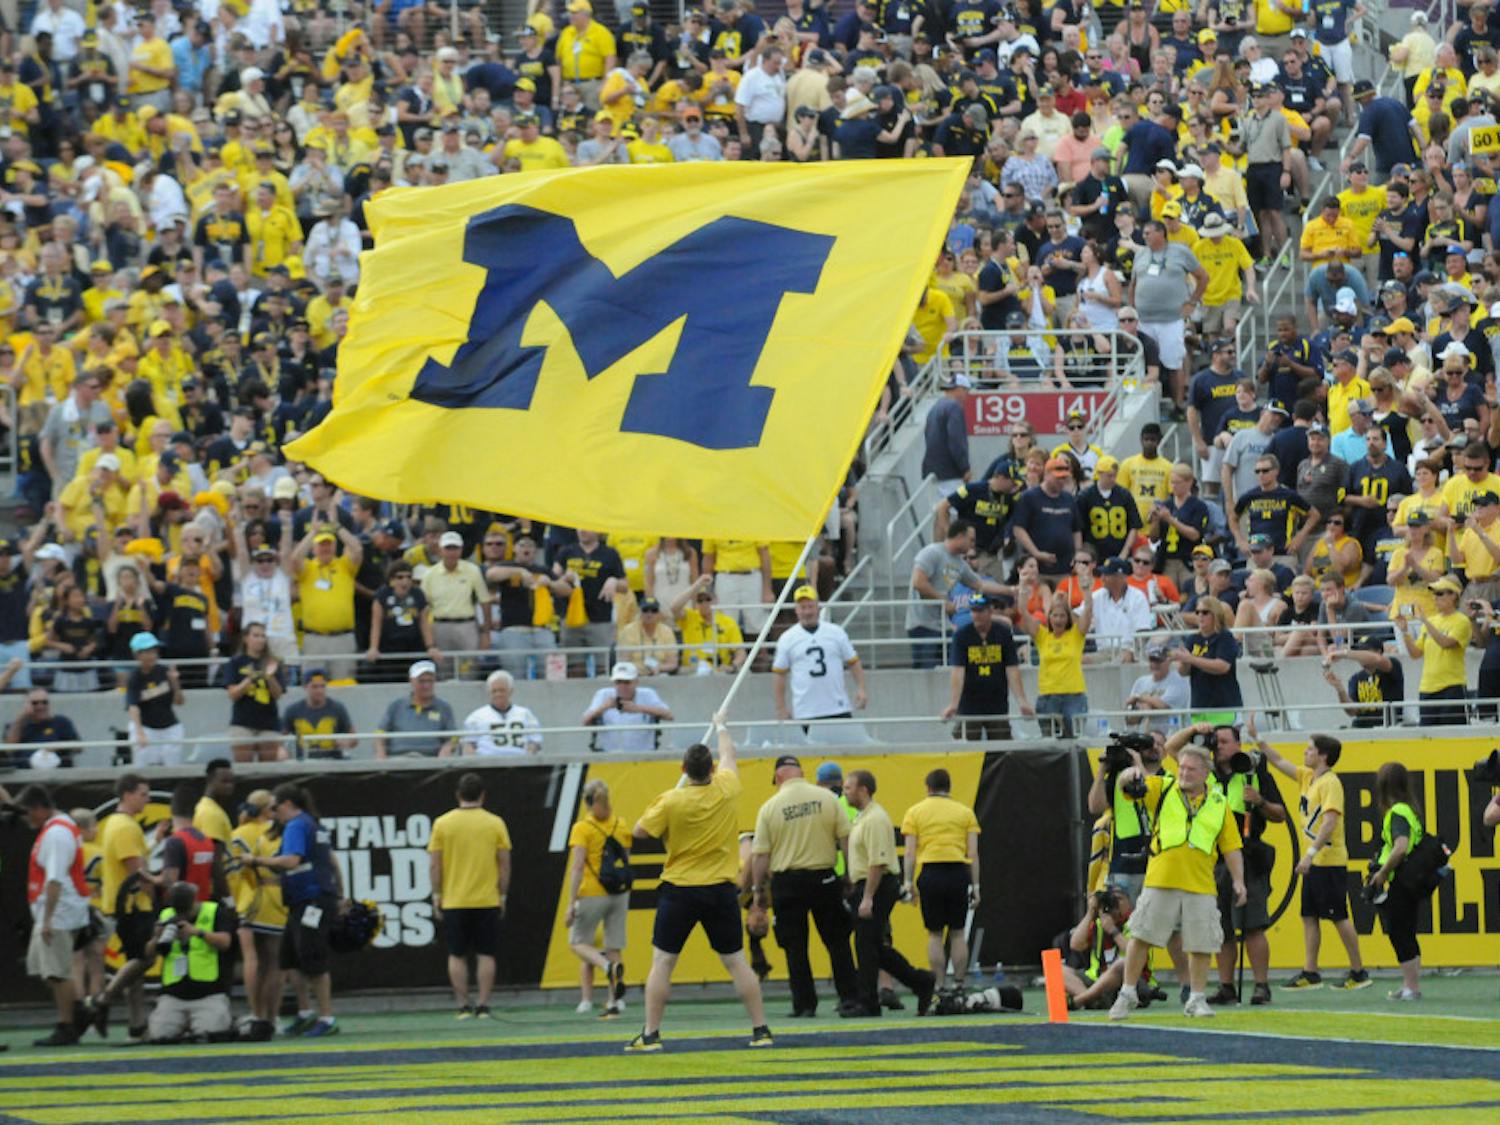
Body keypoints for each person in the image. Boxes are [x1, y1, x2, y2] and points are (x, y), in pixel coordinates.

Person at [628, 716, 772, 1052]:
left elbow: (638, 831)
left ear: (683, 769)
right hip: (720, 889)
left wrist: (662, 817)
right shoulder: (726, 787)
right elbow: (730, 755)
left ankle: (651, 1034)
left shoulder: (670, 800)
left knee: (663, 962)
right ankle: (760, 1029)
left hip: (680, 889)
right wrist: (721, 725)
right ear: (711, 769)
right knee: (736, 961)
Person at [1109, 742, 1247, 1021]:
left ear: (1205, 773)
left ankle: (1196, 998)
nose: (1183, 773)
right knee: (1141, 935)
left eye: (1191, 769)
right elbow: (1130, 786)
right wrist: (1128, 776)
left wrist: (1239, 881)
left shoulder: (1220, 804)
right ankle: (1127, 992)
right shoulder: (1163, 787)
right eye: (1181, 767)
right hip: (1161, 878)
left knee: (1201, 943)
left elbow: (1231, 847)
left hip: (1200, 882)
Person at [1247, 723, 1372, 992]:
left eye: (1310, 749)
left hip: (1328, 860)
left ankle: (1359, 970)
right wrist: (1258, 739)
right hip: (1315, 863)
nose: (1305, 752)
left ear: (1323, 756)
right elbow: (1279, 761)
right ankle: (1311, 971)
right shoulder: (1308, 777)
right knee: (1309, 915)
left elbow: (1329, 822)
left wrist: (1310, 853)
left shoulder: (1330, 783)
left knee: (1338, 916)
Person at [749, 753, 859, 1017]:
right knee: (837, 942)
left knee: (795, 947)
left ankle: (804, 1005)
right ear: (801, 773)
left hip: (787, 883)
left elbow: (760, 856)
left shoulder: (770, 807)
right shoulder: (827, 799)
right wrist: (850, 875)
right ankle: (850, 999)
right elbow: (846, 839)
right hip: (823, 878)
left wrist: (757, 891)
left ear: (777, 777)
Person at [244, 783, 342, 1038]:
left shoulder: (297, 825)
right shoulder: (312, 823)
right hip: (305, 898)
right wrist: (340, 893)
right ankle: (305, 1013)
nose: (273, 812)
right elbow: (331, 862)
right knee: (291, 958)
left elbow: (291, 861)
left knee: (313, 958)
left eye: (275, 807)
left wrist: (256, 860)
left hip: (311, 900)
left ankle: (326, 1017)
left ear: (287, 805)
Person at [843, 768, 935, 1017]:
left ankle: (869, 1002)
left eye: (848, 787)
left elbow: (878, 863)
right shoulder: (863, 817)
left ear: (863, 789)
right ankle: (920, 982)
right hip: (869, 885)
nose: (845, 791)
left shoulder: (875, 819)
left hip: (878, 885)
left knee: (865, 944)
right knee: (874, 947)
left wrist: (868, 897)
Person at [84, 774, 162, 1040]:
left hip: (125, 903)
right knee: (144, 958)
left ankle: (137, 1025)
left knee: (135, 965)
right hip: (131, 904)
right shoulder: (125, 827)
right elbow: (138, 872)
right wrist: (160, 885)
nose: (147, 799)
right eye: (143, 794)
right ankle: (102, 1000)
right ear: (127, 794)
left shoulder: (119, 825)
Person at [428, 773, 512, 1020]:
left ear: (458, 795)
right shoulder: (495, 823)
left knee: (457, 954)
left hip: (454, 899)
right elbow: (505, 864)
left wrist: (436, 894)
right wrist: (503, 895)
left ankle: (463, 1005)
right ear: (483, 795)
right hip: (487, 899)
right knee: (486, 953)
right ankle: (484, 1005)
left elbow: (435, 865)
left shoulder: (443, 824)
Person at [901, 768, 981, 996]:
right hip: (957, 873)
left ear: (928, 787)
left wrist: (908, 883)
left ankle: (938, 985)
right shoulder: (964, 813)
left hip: (931, 873)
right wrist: (975, 886)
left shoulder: (915, 812)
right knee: (957, 932)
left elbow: (909, 852)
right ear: (949, 787)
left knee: (934, 934)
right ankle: (958, 984)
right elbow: (973, 853)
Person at [22, 784, 90, 1046]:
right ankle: (79, 1011)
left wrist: (48, 919)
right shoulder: (58, 828)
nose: (28, 817)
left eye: (29, 811)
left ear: (40, 808)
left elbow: (55, 879)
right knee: (47, 969)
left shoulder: (57, 833)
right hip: (56, 910)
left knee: (57, 972)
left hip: (58, 912)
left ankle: (68, 1024)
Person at [564, 778, 632, 1018]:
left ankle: (606, 968)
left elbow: (577, 867)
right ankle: (614, 1001)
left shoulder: (582, 828)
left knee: (578, 943)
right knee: (614, 946)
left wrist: (571, 903)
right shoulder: (621, 824)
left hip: (592, 892)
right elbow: (626, 859)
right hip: (619, 893)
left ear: (587, 802)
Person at [144, 879, 238, 1042]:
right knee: (160, 1036)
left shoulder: (214, 911)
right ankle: (181, 1024)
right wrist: (157, 937)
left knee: (210, 1034)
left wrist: (197, 932)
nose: (182, 915)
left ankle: (223, 1019)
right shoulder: (166, 915)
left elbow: (225, 943)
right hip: (174, 994)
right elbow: (148, 954)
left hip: (209, 993)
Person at [906, 520, 1009, 668]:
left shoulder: (960, 563)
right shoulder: (932, 552)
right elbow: (918, 582)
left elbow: (981, 584)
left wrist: (1011, 590)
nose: (973, 544)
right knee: (926, 672)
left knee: (955, 667)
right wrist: (944, 602)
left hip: (944, 626)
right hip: (923, 624)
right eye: (971, 539)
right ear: (960, 536)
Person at [1368, 762, 1429, 1001]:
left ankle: (1411, 986)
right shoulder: (1410, 810)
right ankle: (1410, 984)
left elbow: (1401, 846)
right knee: (1406, 931)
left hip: (1400, 880)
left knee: (1399, 932)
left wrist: (1382, 872)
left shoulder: (1397, 812)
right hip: (1410, 879)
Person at [229, 789, 285, 1042]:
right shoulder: (274, 832)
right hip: (271, 896)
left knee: (252, 958)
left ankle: (256, 1014)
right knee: (273, 961)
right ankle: (271, 1017)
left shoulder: (236, 833)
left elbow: (231, 872)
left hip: (245, 898)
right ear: (265, 810)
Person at [771, 586, 867, 729]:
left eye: (810, 606)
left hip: (837, 707)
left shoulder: (835, 632)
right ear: (796, 609)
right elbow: (779, 674)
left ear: (818, 607)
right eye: (803, 607)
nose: (807, 611)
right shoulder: (787, 638)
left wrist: (861, 688)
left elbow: (853, 661)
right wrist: (781, 707)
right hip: (805, 711)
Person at [941, 593, 1032, 739]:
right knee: (969, 747)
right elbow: (958, 672)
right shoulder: (962, 635)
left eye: (980, 611)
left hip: (997, 701)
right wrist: (953, 704)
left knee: (1001, 747)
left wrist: (1022, 701)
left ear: (990, 611)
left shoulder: (1003, 633)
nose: (976, 615)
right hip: (969, 703)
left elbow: (1012, 669)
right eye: (973, 610)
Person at [1019, 583, 1094, 738]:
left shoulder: (1075, 634)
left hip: (1074, 696)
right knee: (1050, 744)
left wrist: (1086, 592)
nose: (1058, 619)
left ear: (1068, 618)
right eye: (1054, 615)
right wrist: (1022, 589)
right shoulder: (1043, 635)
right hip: (1047, 696)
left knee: (1075, 741)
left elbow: (1088, 611)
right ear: (1049, 617)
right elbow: (1023, 613)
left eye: (1062, 615)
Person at [1399, 573, 1471, 724]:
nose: (1435, 598)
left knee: (1453, 739)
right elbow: (1416, 654)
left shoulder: (1461, 621)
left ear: (1453, 596)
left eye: (1439, 593)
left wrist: (1425, 621)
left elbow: (1446, 643)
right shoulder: (1432, 621)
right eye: (1434, 594)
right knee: (1428, 739)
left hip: (1451, 687)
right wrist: (1405, 632)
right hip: (1427, 687)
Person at [219, 621, 286, 763]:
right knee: (243, 766)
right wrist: (248, 680)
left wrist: (270, 677)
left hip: (269, 722)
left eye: (263, 636)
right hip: (242, 722)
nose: (260, 639)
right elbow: (232, 694)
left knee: (268, 767)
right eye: (256, 635)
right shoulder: (235, 662)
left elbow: (278, 695)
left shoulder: (273, 662)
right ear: (245, 638)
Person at [1062, 886, 1136, 1010]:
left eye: (1119, 898)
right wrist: (1091, 912)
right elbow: (1075, 945)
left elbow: (1134, 955)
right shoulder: (1098, 923)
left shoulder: (1134, 922)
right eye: (1112, 899)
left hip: (1127, 981)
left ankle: (1082, 1000)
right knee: (1059, 971)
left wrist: (1113, 930)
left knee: (1121, 964)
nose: (1115, 903)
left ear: (1129, 902)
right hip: (1097, 979)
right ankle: (1091, 1000)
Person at [1172, 597, 1243, 724]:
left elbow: (1223, 666)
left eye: (1205, 612)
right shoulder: (1192, 639)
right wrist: (1184, 661)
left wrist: (1192, 659)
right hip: (1200, 706)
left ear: (1215, 614)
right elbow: (1183, 672)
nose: (1200, 616)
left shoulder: (1225, 637)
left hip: (1224, 705)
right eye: (1197, 612)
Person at [374, 660, 458, 758]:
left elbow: (454, 736)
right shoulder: (396, 706)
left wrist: (447, 748)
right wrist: (380, 754)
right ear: (411, 681)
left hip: (431, 760)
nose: (426, 685)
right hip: (398, 759)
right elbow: (379, 733)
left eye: (430, 681)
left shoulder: (444, 707)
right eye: (421, 681)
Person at [583, 662, 673, 752]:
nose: (622, 686)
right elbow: (585, 721)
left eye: (627, 682)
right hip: (608, 756)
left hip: (644, 756)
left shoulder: (648, 694)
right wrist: (603, 708)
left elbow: (669, 716)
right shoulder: (603, 694)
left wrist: (639, 708)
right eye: (618, 682)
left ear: (636, 682)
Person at [124, 632, 184, 766]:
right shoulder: (134, 678)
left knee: (172, 767)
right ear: (138, 655)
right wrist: (140, 733)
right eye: (147, 651)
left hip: (169, 726)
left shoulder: (164, 671)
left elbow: (179, 702)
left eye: (154, 651)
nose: (153, 655)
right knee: (144, 765)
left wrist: (175, 683)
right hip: (146, 727)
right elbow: (133, 707)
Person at [280, 669, 358, 760]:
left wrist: (347, 742)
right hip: (302, 761)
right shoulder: (292, 710)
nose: (319, 690)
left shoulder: (337, 708)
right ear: (305, 687)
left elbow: (354, 738)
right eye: (314, 687)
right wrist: (282, 751)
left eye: (322, 686)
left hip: (333, 760)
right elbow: (281, 737)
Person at [463, 669, 544, 756]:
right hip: (488, 765)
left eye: (502, 690)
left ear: (511, 691)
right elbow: (469, 745)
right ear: (489, 692)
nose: (498, 694)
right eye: (494, 691)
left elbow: (535, 741)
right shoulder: (476, 717)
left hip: (519, 763)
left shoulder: (525, 714)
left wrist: (528, 756)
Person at [1124, 646, 1191, 734]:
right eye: (1152, 660)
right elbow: (1131, 719)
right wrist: (1145, 706)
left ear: (1169, 661)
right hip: (1146, 736)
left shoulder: (1178, 680)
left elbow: (1163, 706)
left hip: (1172, 735)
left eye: (1159, 661)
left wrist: (1139, 698)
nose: (1154, 664)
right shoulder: (1140, 682)